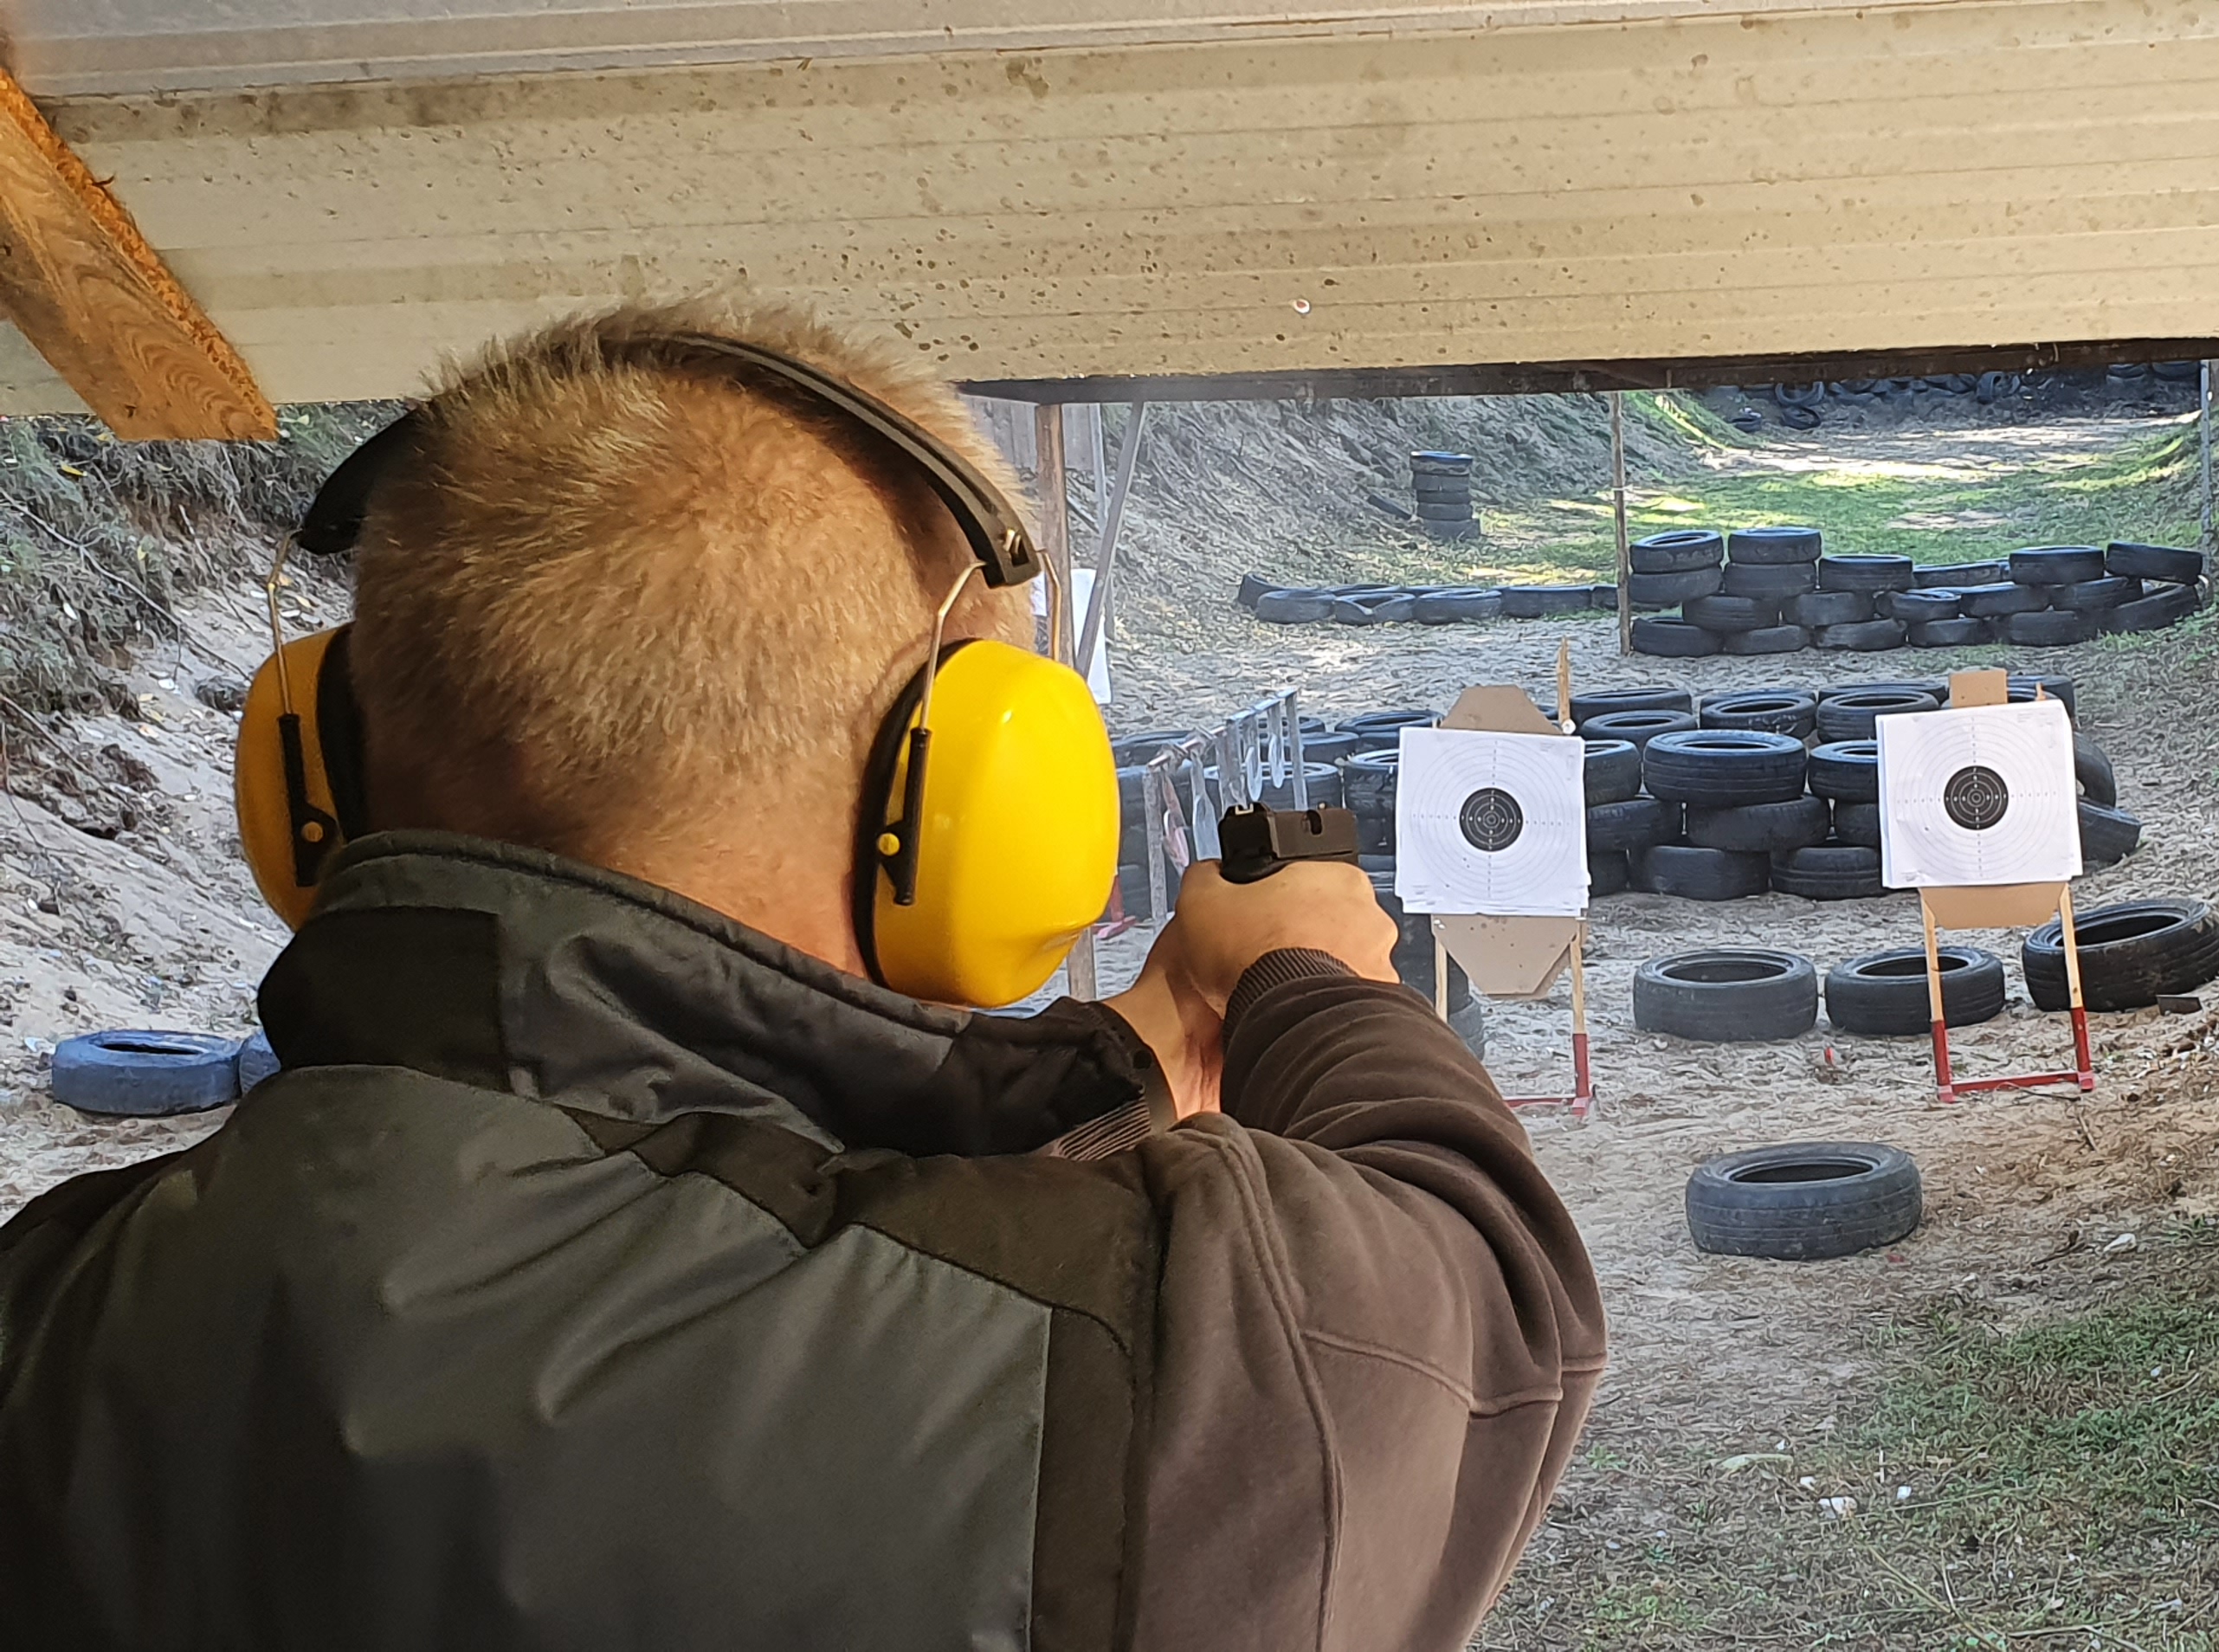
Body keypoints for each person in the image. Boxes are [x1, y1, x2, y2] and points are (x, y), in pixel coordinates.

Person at [0, 304, 1605, 1650]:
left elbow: (692, 1163)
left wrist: (1128, 1052)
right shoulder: (1143, 1375)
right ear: (965, 803)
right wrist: (1321, 980)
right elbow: (1487, 1297)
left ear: (318, 781)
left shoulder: (53, 1309)